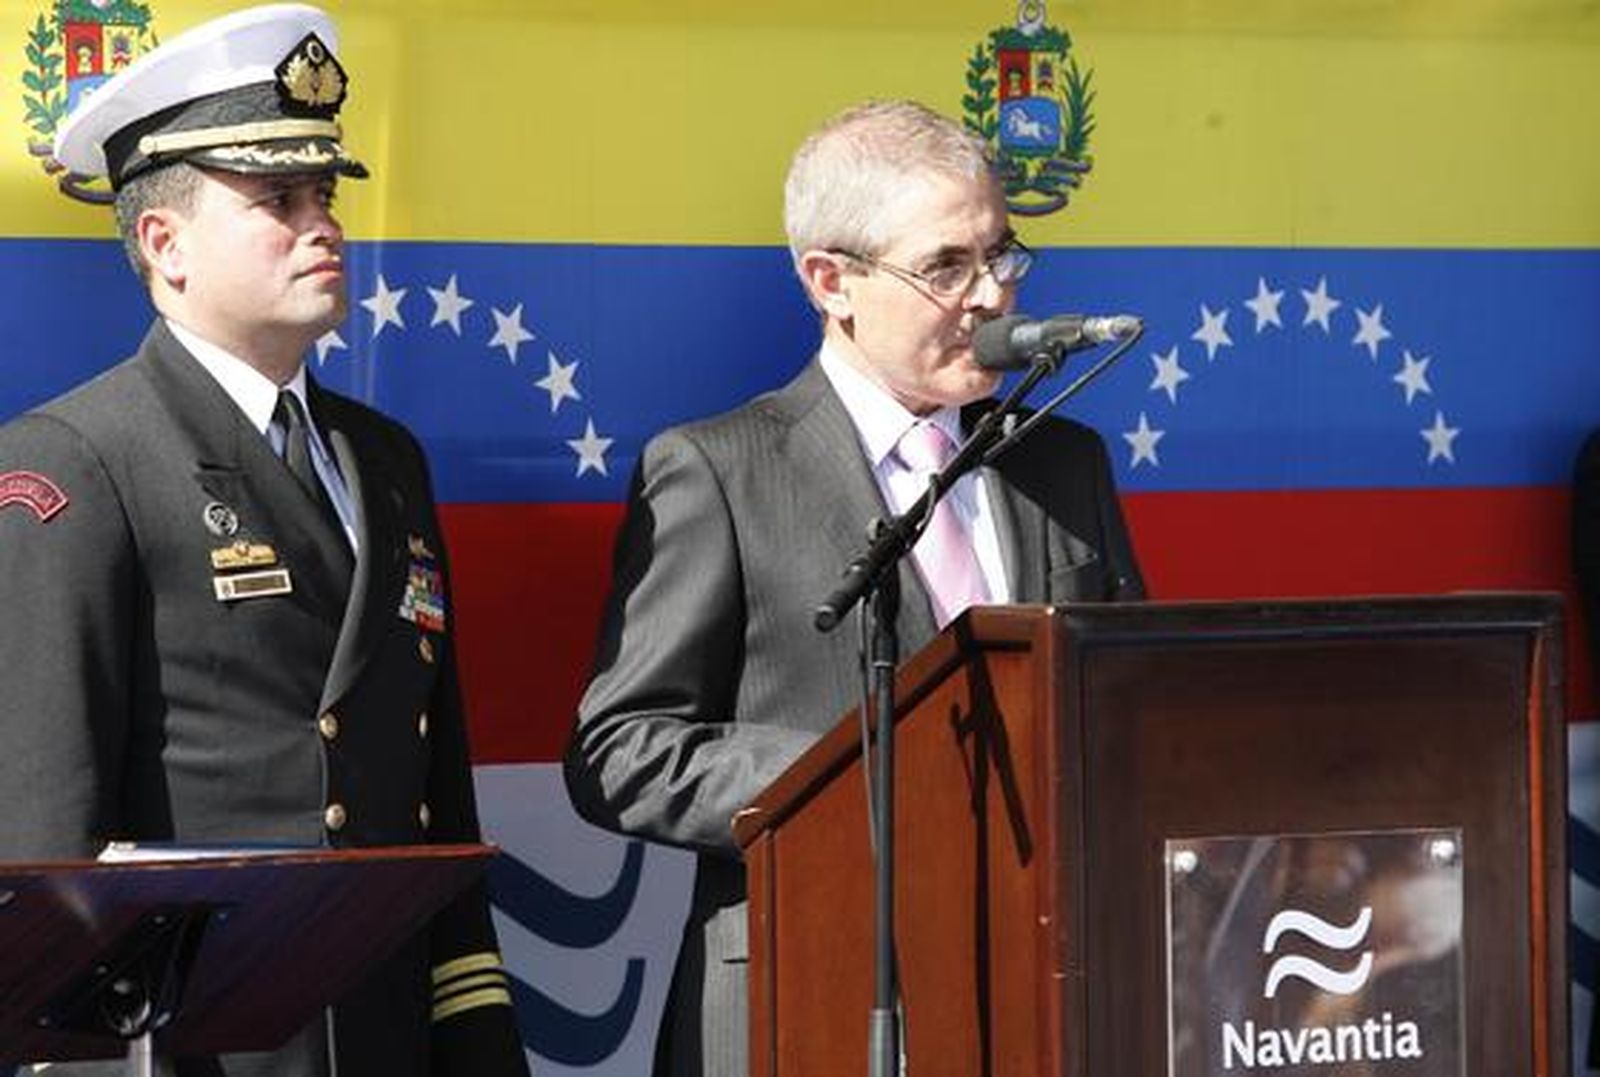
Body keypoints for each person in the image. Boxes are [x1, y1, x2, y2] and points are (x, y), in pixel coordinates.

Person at [564, 99, 1145, 1077]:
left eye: (1000, 256)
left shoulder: (1063, 462)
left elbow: (1127, 708)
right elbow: (623, 752)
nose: (991, 297)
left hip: (1036, 992)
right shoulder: (722, 471)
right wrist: (866, 778)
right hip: (814, 988)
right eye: (945, 267)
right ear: (830, 282)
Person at [0, 6, 528, 1075]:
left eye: (324, 195)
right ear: (164, 242)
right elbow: (45, 833)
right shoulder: (78, 459)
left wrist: (472, 1029)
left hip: (380, 1030)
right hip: (189, 1039)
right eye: (277, 201)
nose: (321, 225)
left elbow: (435, 789)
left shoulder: (386, 459)